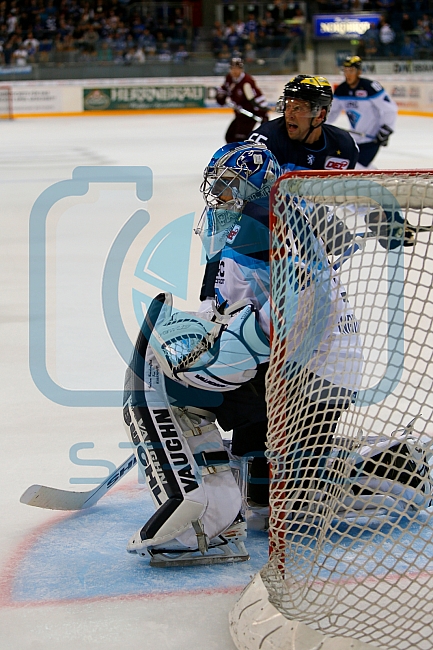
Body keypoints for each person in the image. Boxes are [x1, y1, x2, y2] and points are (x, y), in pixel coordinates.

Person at [122, 141, 366, 567]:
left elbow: (291, 316)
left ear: (257, 187)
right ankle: (236, 492)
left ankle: (207, 517)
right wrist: (206, 335)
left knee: (160, 377)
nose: (218, 194)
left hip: (308, 374)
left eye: (230, 185)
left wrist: (215, 352)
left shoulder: (271, 223)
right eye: (215, 184)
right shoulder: (238, 224)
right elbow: (214, 299)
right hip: (299, 368)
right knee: (266, 504)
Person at [248, 74, 359, 172]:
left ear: (320, 115)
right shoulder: (265, 141)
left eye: (298, 108)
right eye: (288, 106)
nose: (289, 114)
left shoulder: (344, 146)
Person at [327, 56, 398, 169]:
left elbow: (390, 109)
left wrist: (386, 130)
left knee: (355, 166)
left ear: (359, 72)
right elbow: (332, 112)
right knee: (352, 165)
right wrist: (321, 123)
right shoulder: (341, 90)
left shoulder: (370, 87)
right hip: (355, 139)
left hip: (372, 139)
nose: (348, 74)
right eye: (345, 70)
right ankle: (377, 177)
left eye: (351, 70)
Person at [216, 57, 269, 143]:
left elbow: (257, 98)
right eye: (232, 68)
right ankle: (235, 155)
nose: (234, 71)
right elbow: (223, 89)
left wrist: (263, 115)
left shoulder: (247, 81)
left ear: (241, 69)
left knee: (240, 139)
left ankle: (243, 155)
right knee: (229, 136)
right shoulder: (229, 78)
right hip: (240, 115)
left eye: (237, 68)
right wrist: (220, 96)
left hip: (250, 115)